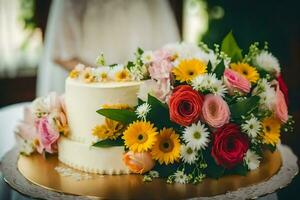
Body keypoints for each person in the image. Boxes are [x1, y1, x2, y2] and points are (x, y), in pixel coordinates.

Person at [37, 0, 180, 96]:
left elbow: (168, 47)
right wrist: (109, 82)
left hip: (143, 92)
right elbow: (60, 54)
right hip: (88, 92)